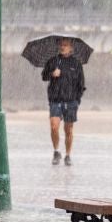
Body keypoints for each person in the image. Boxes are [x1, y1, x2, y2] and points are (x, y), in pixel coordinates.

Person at [41, 37, 85, 165]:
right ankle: (56, 151)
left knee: (68, 129)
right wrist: (52, 74)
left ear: (71, 47)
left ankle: (67, 155)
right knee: (54, 126)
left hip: (71, 101)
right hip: (55, 99)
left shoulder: (76, 64)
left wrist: (77, 100)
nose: (62, 47)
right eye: (61, 44)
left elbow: (81, 84)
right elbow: (44, 76)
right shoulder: (53, 61)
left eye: (65, 45)